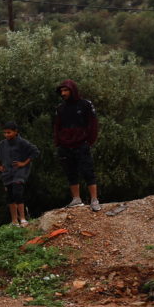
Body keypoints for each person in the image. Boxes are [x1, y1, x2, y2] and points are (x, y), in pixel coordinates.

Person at [53, 79, 101, 212]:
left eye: (66, 90)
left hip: (81, 143)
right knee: (70, 172)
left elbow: (93, 123)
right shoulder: (60, 108)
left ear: (72, 90)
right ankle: (76, 199)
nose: (63, 93)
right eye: (61, 91)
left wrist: (89, 141)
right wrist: (58, 142)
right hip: (65, 145)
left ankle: (94, 200)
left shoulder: (85, 104)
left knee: (88, 171)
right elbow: (57, 126)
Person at [0, 121, 39, 225]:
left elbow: (35, 151)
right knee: (10, 196)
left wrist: (24, 163)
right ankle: (14, 221)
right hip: (7, 174)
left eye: (9, 132)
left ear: (15, 131)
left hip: (20, 172)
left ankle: (22, 218)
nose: (6, 135)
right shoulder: (2, 144)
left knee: (18, 192)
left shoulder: (22, 142)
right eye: (5, 133)